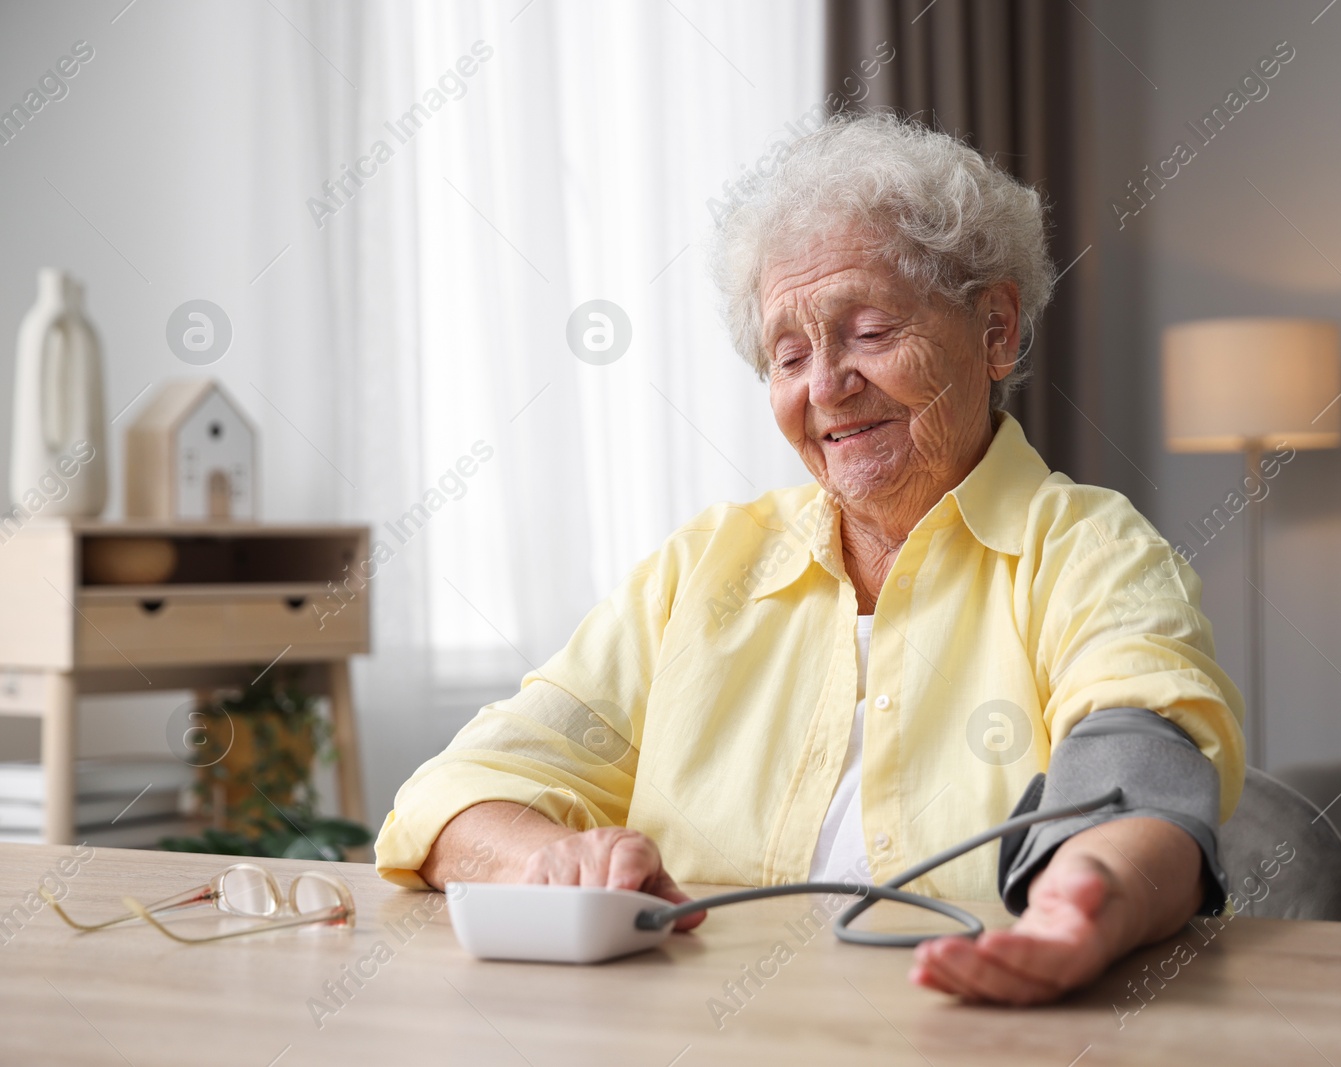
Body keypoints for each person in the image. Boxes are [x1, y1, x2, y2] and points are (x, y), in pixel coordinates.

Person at [375, 112, 1244, 1005]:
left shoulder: (1091, 551)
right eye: (789, 354)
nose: (825, 387)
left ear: (994, 328)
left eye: (869, 332)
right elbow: (453, 791)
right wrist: (554, 862)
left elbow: (1142, 771)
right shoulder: (702, 568)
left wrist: (1084, 898)